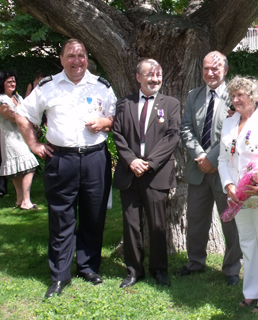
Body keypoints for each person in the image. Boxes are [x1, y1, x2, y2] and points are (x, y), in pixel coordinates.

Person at [16, 38, 116, 298]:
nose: (77, 61)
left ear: (87, 59)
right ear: (61, 60)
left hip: (95, 159)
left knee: (94, 216)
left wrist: (105, 120)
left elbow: (116, 118)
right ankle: (60, 275)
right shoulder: (48, 87)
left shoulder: (101, 86)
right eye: (71, 56)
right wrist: (33, 144)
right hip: (61, 160)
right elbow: (22, 114)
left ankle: (88, 267)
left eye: (81, 55)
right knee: (61, 217)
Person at [113, 58, 179, 288]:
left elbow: (172, 136)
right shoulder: (124, 103)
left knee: (157, 224)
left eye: (158, 74)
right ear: (138, 77)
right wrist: (131, 161)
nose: (155, 79)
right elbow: (117, 134)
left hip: (156, 173)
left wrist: (149, 163)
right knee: (131, 224)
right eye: (150, 75)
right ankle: (133, 270)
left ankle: (160, 270)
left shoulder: (170, 104)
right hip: (129, 173)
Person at [218, 76, 258, 313]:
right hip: (236, 196)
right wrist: (228, 185)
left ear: (254, 97)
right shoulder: (229, 122)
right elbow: (224, 158)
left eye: (240, 95)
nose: (235, 100)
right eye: (233, 96)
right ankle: (251, 292)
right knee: (247, 243)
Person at [178, 51, 242, 285]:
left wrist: (212, 159)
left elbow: (235, 130)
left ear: (225, 70)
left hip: (224, 172)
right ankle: (195, 262)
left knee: (230, 223)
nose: (210, 73)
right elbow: (185, 128)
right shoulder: (194, 96)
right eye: (206, 68)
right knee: (196, 220)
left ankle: (232, 269)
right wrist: (200, 156)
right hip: (198, 170)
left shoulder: (236, 97)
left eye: (215, 68)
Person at [0, 71, 39, 209]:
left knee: (18, 169)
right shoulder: (2, 100)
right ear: (2, 84)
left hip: (21, 135)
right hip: (10, 138)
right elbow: (12, 117)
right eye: (9, 82)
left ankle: (20, 201)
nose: (12, 84)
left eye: (14, 81)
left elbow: (26, 112)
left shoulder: (17, 97)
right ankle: (26, 201)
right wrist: (25, 117)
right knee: (30, 166)